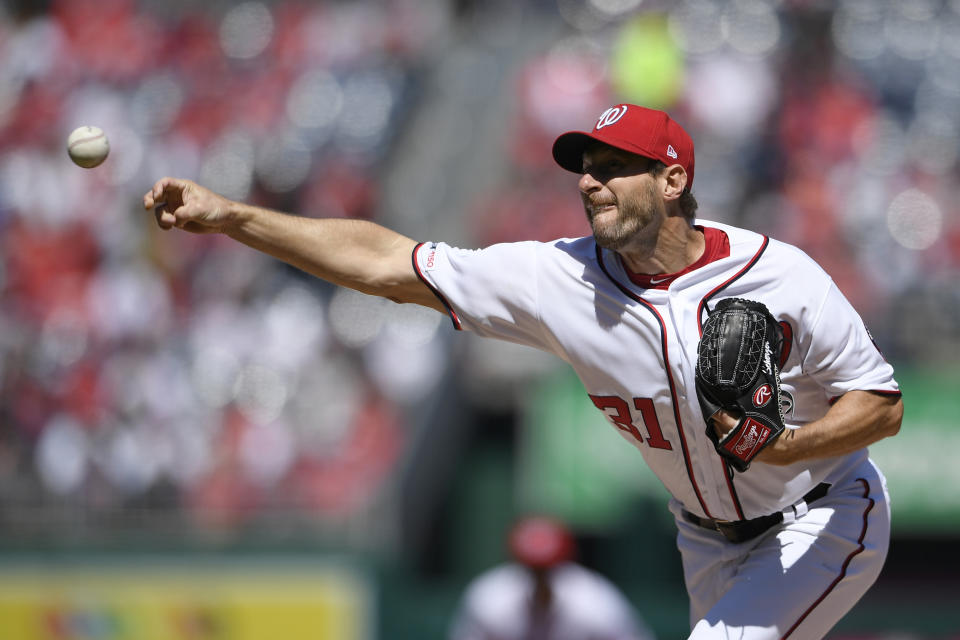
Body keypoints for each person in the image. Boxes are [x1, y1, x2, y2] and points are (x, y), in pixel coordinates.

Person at [143, 103, 903, 639]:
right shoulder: (556, 279)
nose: (589, 180)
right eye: (584, 166)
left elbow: (882, 404)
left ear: (673, 182)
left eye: (613, 166)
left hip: (823, 512)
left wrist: (789, 447)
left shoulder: (777, 273)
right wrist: (235, 217)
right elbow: (385, 263)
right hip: (703, 540)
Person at [448, 516, 655, 640]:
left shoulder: (593, 602)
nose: (541, 578)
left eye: (547, 569)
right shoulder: (491, 599)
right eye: (533, 569)